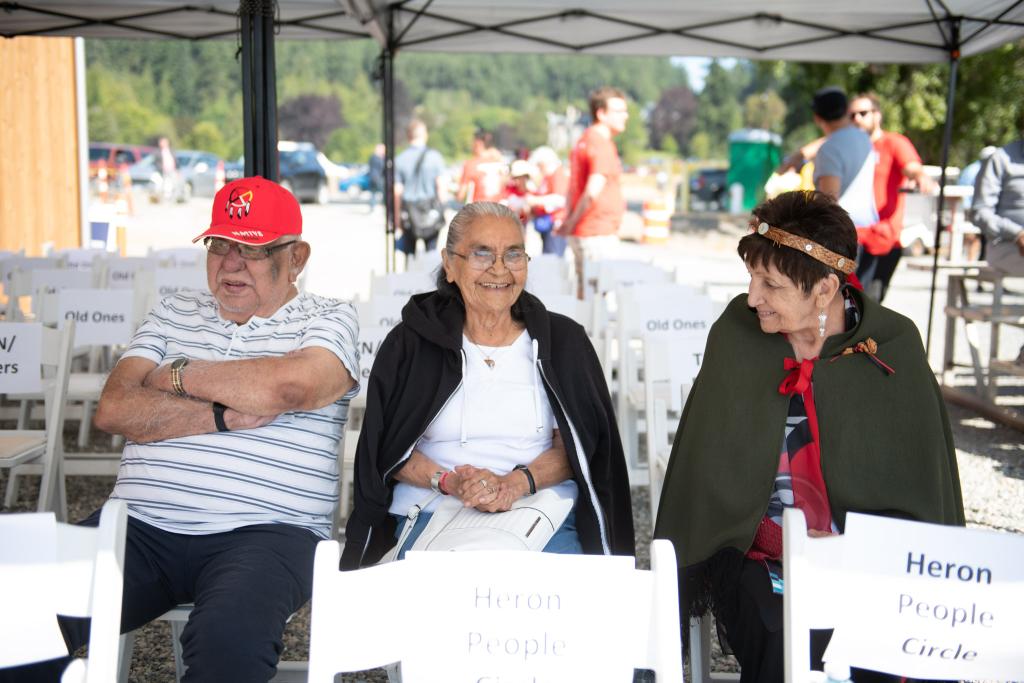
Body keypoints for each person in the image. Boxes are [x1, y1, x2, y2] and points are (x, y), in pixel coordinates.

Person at [5, 176, 360, 682]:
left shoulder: (328, 317)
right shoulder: (174, 309)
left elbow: (290, 387)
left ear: (296, 258)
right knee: (18, 612)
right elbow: (114, 409)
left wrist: (175, 374)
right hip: (138, 526)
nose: (230, 264)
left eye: (251, 250)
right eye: (219, 245)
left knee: (229, 647)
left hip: (267, 533)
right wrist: (221, 414)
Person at [654, 190, 964, 683]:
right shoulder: (738, 332)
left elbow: (922, 489)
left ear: (824, 288)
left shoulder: (893, 344)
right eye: (751, 277)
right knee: (784, 641)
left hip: (870, 559)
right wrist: (783, 541)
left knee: (883, 645)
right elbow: (710, 475)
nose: (752, 297)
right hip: (759, 552)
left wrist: (847, 547)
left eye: (771, 284)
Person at [341, 201, 635, 569]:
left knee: (554, 595)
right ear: (450, 265)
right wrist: (450, 482)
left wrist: (515, 484)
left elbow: (580, 445)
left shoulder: (563, 342)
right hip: (433, 507)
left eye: (513, 254)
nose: (499, 269)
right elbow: (388, 449)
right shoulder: (411, 344)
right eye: (482, 254)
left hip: (539, 509)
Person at [847, 92, 936, 301]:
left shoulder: (894, 142)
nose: (857, 119)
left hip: (882, 240)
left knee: (868, 306)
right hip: (850, 239)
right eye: (851, 115)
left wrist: (921, 176)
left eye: (863, 113)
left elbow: (912, 167)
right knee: (845, 305)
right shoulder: (849, 147)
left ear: (877, 115)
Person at [557, 86, 629, 298]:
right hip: (596, 232)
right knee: (597, 299)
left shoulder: (584, 139)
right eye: (619, 111)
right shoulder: (601, 143)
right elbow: (592, 190)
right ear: (601, 113)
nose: (625, 116)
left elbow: (573, 188)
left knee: (585, 295)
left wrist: (570, 220)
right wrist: (571, 221)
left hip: (586, 230)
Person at [810, 87, 879, 233]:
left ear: (817, 118)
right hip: (869, 227)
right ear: (847, 110)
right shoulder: (865, 138)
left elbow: (829, 202)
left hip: (844, 233)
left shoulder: (829, 148)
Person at [395, 119, 448, 258]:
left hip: (409, 213)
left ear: (408, 136)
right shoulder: (435, 157)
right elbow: (441, 187)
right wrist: (443, 209)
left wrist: (396, 217)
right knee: (431, 254)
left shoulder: (400, 159)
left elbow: (397, 192)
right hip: (430, 210)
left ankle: (410, 271)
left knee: (409, 256)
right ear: (425, 135)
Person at [527, 145, 570, 257]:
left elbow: (560, 199)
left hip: (556, 222)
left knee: (553, 257)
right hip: (548, 222)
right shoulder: (548, 176)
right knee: (548, 256)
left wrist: (536, 201)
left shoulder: (558, 174)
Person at [456, 129, 507, 204]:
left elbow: (460, 195)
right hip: (499, 207)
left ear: (478, 143)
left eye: (472, 142)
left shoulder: (471, 164)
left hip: (479, 207)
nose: (471, 145)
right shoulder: (500, 162)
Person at [367, 142, 385, 212]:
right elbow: (382, 167)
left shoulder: (372, 157)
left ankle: (372, 207)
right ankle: (383, 205)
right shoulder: (377, 158)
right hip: (377, 178)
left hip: (373, 178)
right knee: (383, 192)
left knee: (373, 194)